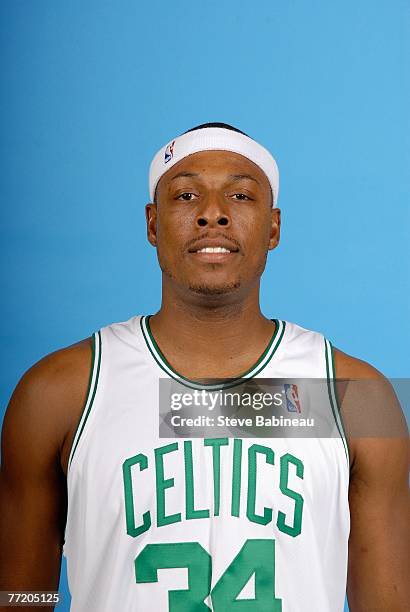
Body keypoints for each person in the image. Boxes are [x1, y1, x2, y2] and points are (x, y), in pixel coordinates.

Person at [0, 123, 408, 612]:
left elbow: (387, 604)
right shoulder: (59, 393)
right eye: (187, 194)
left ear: (274, 227)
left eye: (239, 195)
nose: (212, 214)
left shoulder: (354, 397)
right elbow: (23, 595)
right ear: (152, 224)